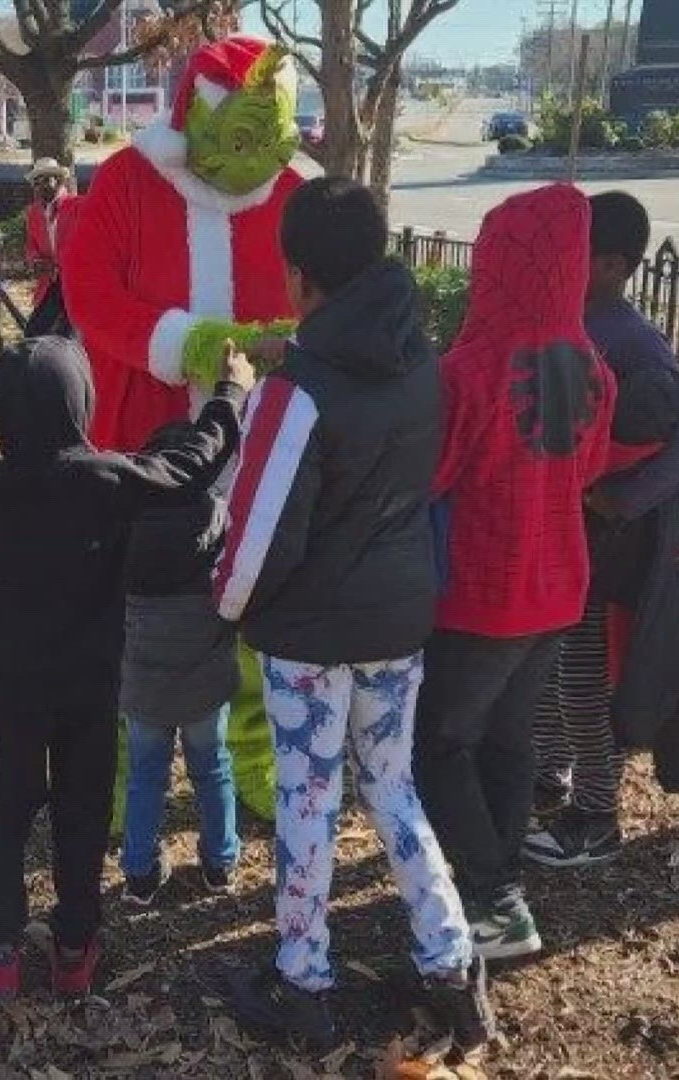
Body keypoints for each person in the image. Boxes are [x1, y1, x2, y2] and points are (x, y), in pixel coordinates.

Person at [216, 176, 491, 1054]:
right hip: (399, 618)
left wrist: (226, 604)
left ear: (297, 277)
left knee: (308, 801)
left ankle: (303, 978)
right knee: (394, 787)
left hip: (309, 640)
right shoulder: (422, 361)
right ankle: (451, 959)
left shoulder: (297, 390)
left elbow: (260, 534)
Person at [0, 335, 254, 1005]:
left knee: (6, 811)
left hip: (12, 685)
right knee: (81, 810)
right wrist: (230, 395)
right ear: (81, 401)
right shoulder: (104, 478)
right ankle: (75, 945)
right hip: (90, 682)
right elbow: (190, 467)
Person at [62, 32, 307, 832]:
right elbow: (90, 294)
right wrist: (194, 343)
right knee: (126, 621)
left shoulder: (294, 194)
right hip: (144, 442)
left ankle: (253, 766)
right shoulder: (131, 182)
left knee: (252, 615)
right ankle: (116, 777)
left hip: (261, 448)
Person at [414, 183, 617, 963]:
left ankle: (494, 896)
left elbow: (431, 474)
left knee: (437, 743)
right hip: (559, 586)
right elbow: (591, 466)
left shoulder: (468, 369)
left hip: (480, 593)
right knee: (507, 742)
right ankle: (496, 891)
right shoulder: (594, 368)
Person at [528, 191, 679, 866]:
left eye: (575, 255)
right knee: (552, 662)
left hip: (603, 545)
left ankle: (597, 814)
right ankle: (550, 774)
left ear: (611, 264)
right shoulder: (570, 318)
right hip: (562, 533)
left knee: (580, 675)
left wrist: (628, 496)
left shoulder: (631, 339)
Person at [117, 420, 243, 905]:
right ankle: (220, 863)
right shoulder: (216, 515)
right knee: (212, 768)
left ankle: (140, 873)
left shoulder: (124, 525)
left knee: (146, 773)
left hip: (143, 681)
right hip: (205, 678)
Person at [23, 157, 77, 337]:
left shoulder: (77, 207)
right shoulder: (34, 212)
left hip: (76, 283)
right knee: (33, 333)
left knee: (68, 337)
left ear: (59, 180)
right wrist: (36, 262)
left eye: (47, 179)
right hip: (51, 284)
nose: (41, 186)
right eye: (36, 182)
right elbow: (31, 246)